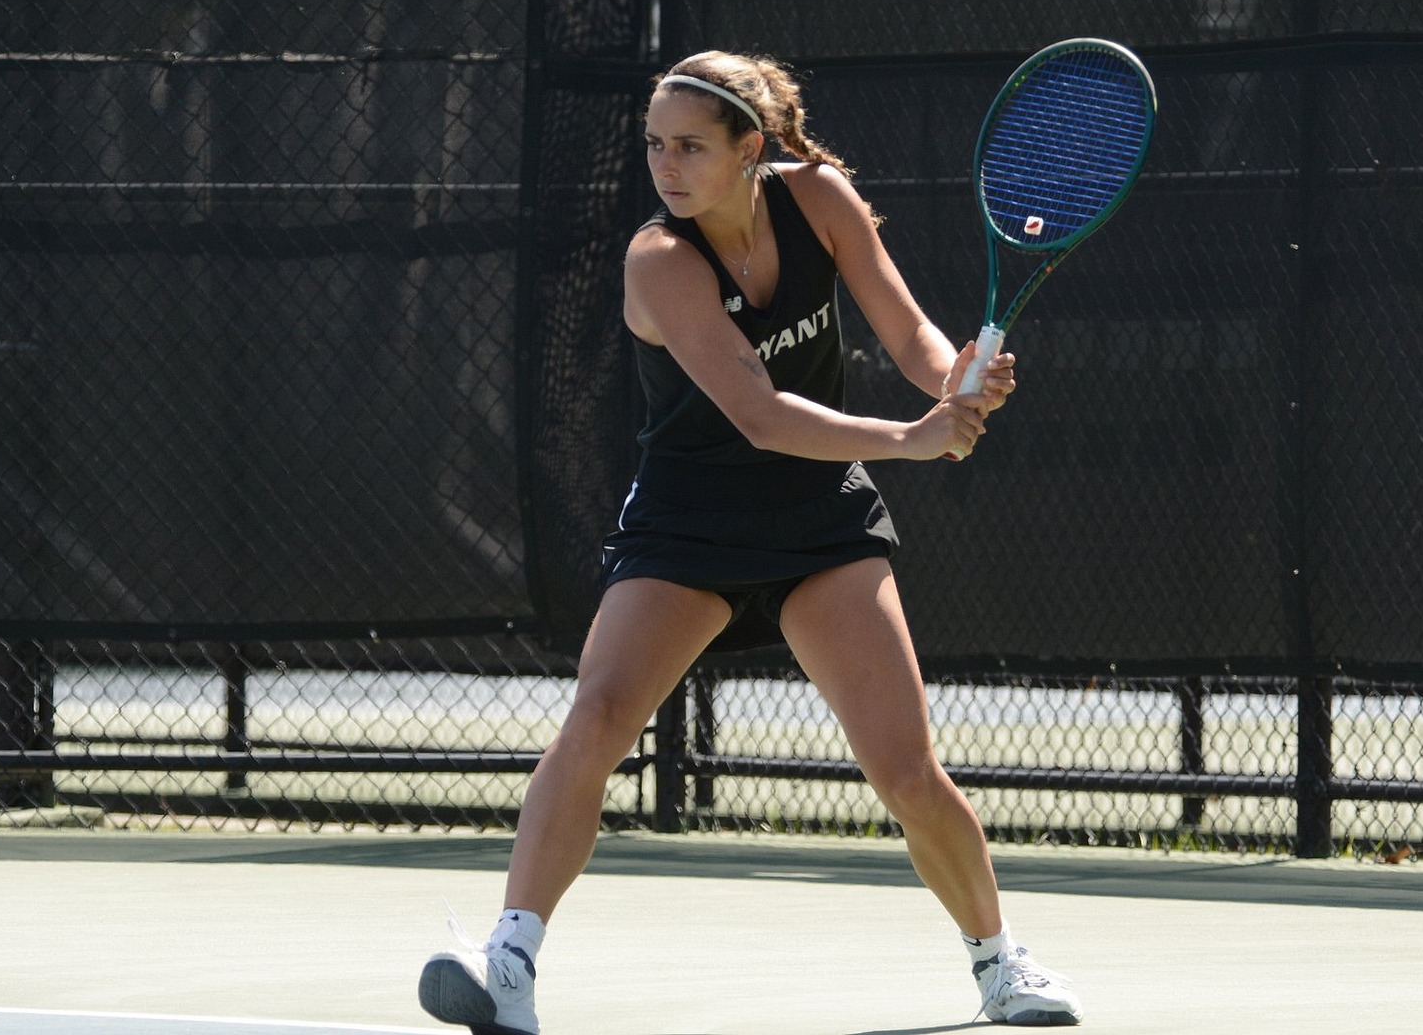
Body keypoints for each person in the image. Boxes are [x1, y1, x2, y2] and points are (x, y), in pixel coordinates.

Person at [418, 50, 1083, 1033]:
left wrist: (957, 378)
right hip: (689, 522)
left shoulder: (819, 198)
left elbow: (905, 333)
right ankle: (507, 964)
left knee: (905, 769)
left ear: (752, 149)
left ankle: (1001, 968)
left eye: (690, 146)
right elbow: (761, 413)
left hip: (819, 522)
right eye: (655, 144)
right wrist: (910, 439)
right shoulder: (659, 261)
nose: (666, 165)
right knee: (597, 717)